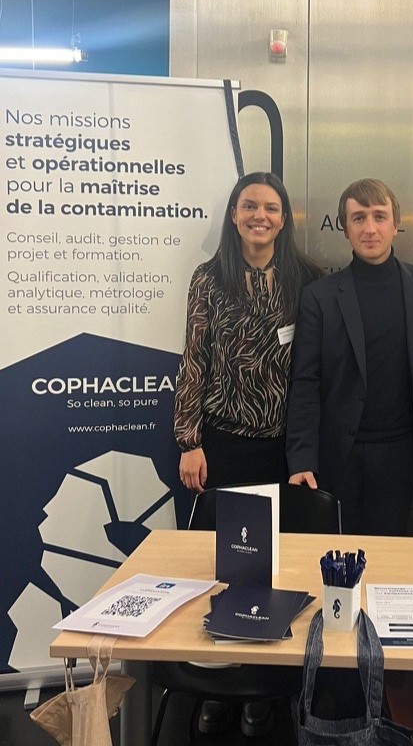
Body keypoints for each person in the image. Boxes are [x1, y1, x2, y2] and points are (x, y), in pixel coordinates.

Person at [173, 170, 321, 736]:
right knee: (230, 570)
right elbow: (193, 360)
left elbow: (313, 372)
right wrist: (189, 440)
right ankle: (223, 684)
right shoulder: (209, 280)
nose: (261, 216)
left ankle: (266, 686)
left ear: (284, 219)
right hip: (224, 446)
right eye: (249, 206)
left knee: (278, 570)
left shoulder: (306, 281)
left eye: (272, 208)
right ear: (233, 215)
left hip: (283, 450)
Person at [286, 178, 413, 535]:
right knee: (338, 560)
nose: (370, 228)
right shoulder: (319, 296)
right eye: (358, 218)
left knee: (393, 561)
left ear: (395, 225)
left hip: (403, 456)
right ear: (345, 229)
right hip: (338, 457)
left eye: (379, 217)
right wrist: (301, 458)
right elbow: (306, 382)